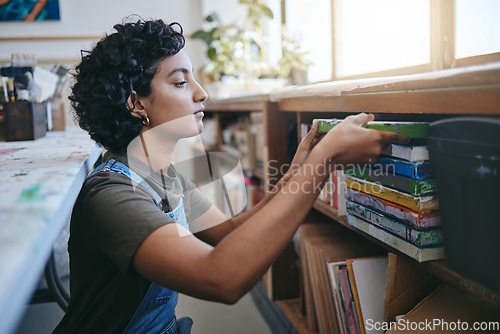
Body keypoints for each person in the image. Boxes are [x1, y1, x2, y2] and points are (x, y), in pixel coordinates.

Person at [60, 17, 409, 334]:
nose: (202, 92)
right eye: (181, 82)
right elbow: (221, 277)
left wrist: (297, 171)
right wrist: (323, 160)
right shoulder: (113, 195)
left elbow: (229, 233)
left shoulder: (162, 174)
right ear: (136, 104)